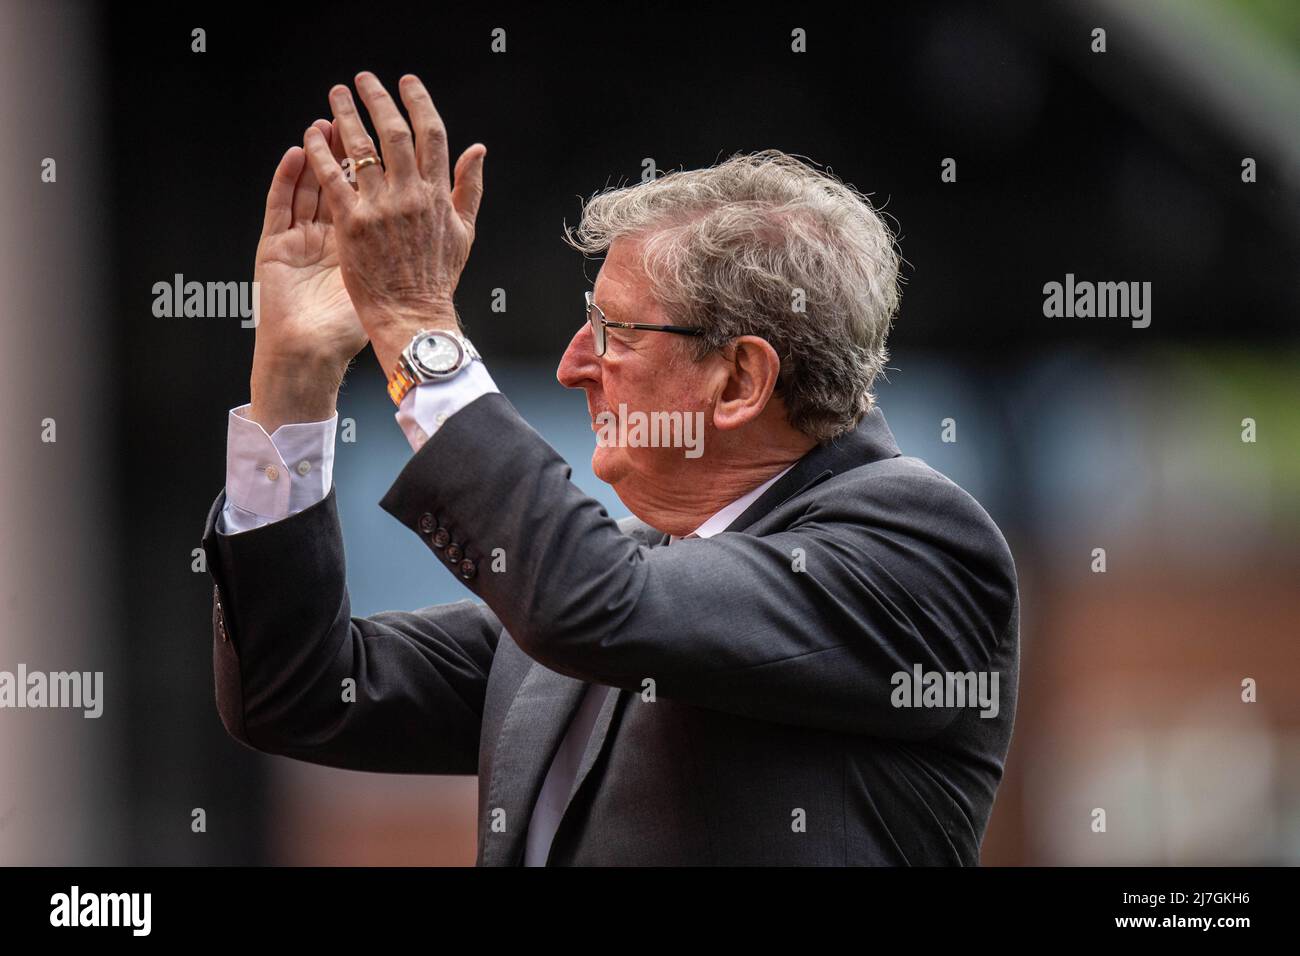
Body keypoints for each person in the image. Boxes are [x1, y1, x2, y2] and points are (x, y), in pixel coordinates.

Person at [201, 71, 1020, 865]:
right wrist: (295, 382)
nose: (572, 366)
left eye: (614, 331)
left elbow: (593, 603)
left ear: (739, 379)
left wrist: (418, 327)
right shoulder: (617, 576)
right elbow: (298, 693)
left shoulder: (919, 547)